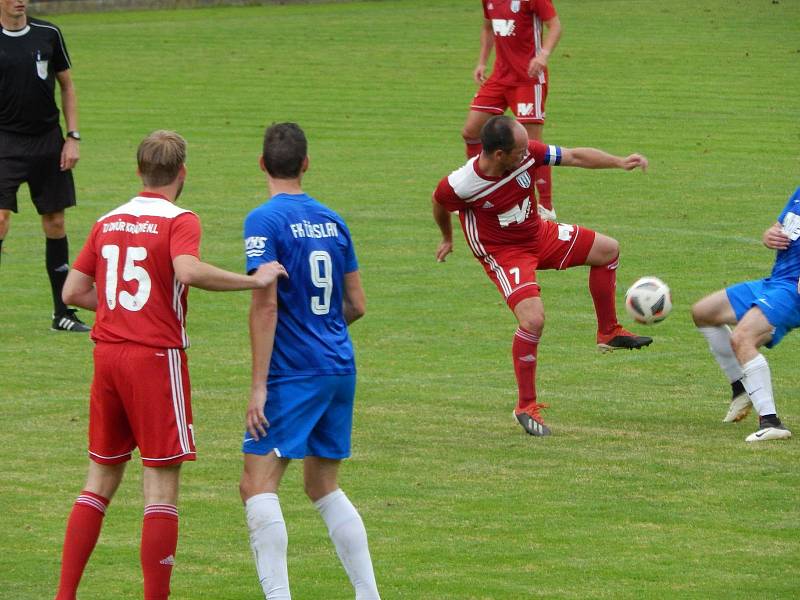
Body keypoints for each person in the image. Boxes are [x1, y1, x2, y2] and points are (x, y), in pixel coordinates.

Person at [53, 130, 287, 600]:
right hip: (154, 360)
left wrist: (121, 308)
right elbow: (188, 271)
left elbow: (73, 292)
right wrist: (253, 280)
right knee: (159, 486)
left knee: (99, 479)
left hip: (107, 357)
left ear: (138, 171)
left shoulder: (108, 219)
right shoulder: (180, 220)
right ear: (182, 174)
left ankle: (64, 596)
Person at [433, 115, 651, 437]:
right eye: (520, 151)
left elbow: (574, 156)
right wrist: (447, 237)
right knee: (533, 321)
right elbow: (439, 203)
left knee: (608, 250)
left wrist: (619, 162)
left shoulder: (528, 152)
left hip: (537, 234)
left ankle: (608, 331)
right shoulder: (462, 184)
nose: (529, 154)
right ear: (498, 155)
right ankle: (526, 405)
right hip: (504, 254)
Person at [239, 122, 380, 600]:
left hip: (293, 372)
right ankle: (368, 594)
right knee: (322, 485)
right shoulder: (333, 220)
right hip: (339, 367)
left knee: (256, 484)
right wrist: (323, 330)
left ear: (262, 164)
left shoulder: (264, 221)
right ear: (306, 164)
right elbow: (357, 303)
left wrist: (259, 386)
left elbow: (266, 302)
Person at [0, 0, 88, 331]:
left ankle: (62, 313)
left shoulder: (48, 33)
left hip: (47, 141)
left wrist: (73, 137)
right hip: (5, 140)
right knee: (0, 219)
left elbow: (67, 85)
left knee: (55, 222)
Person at [691, 187, 799, 442]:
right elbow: (778, 227)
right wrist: (769, 235)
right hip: (776, 281)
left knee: (742, 339)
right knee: (704, 312)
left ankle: (771, 421)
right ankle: (741, 387)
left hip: (793, 289)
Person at [463, 0, 562, 221]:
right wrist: (481, 62)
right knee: (471, 132)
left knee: (530, 145)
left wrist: (543, 55)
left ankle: (545, 206)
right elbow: (488, 27)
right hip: (500, 76)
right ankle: (477, 190)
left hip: (528, 79)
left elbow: (555, 25)